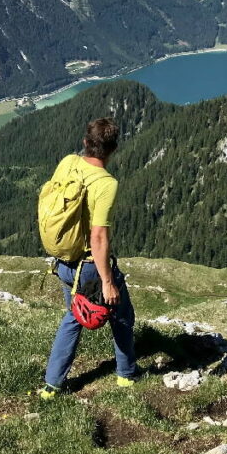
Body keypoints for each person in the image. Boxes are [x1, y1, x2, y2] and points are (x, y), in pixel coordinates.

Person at [39, 118, 138, 399]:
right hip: (89, 267)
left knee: (73, 316)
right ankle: (126, 376)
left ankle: (52, 385)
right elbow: (98, 238)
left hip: (64, 262)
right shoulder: (106, 183)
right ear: (114, 149)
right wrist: (107, 281)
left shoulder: (68, 162)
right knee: (121, 315)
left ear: (85, 142)